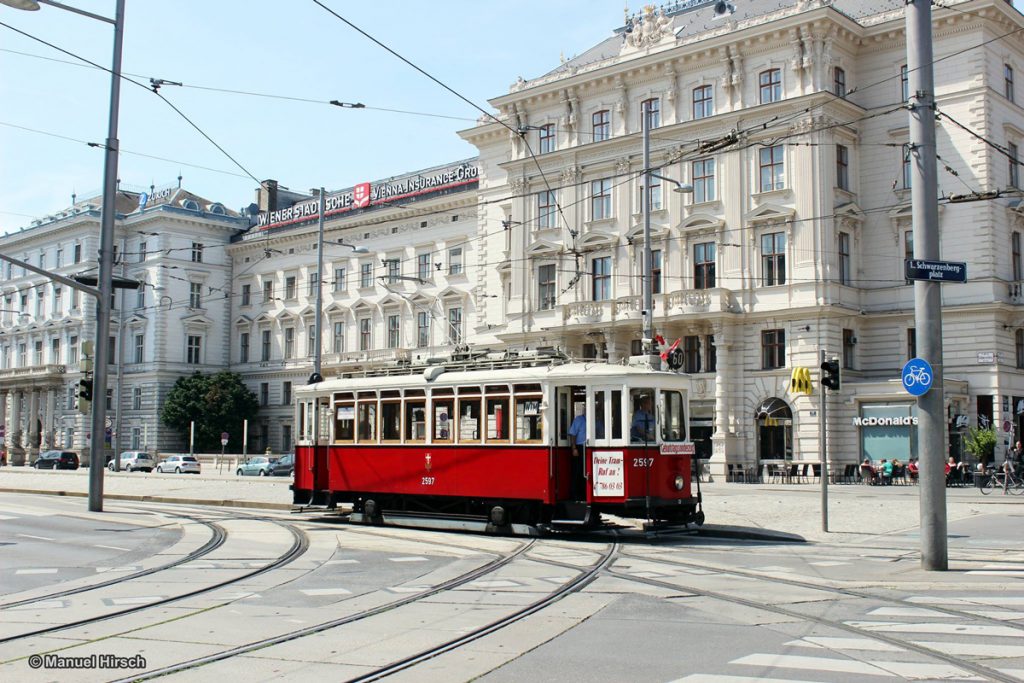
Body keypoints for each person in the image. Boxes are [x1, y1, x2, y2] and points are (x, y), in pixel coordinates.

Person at [567, 406, 587, 499]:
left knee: (586, 472)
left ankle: (584, 493)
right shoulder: (578, 420)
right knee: (577, 471)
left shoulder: (594, 420)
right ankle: (575, 494)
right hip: (579, 448)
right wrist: (574, 448)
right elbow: (573, 434)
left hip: (588, 448)